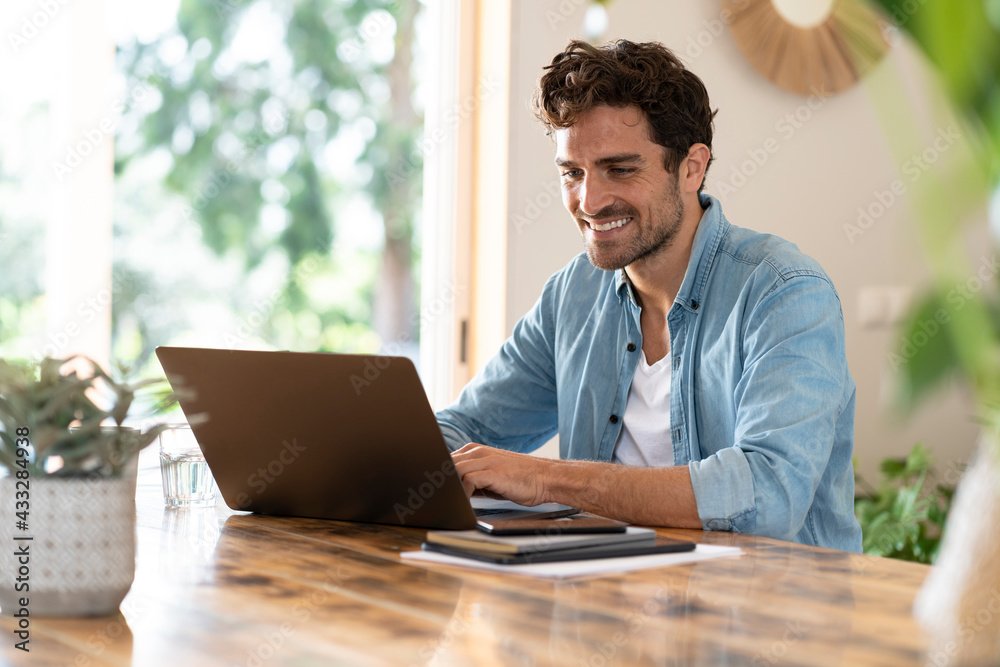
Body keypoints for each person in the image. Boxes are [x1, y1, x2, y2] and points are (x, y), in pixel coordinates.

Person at [436, 39, 861, 551]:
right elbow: (470, 428)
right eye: (572, 173)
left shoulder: (785, 292)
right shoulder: (573, 294)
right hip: (610, 599)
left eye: (620, 169)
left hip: (768, 615)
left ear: (691, 167)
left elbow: (768, 493)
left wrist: (546, 479)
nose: (589, 201)